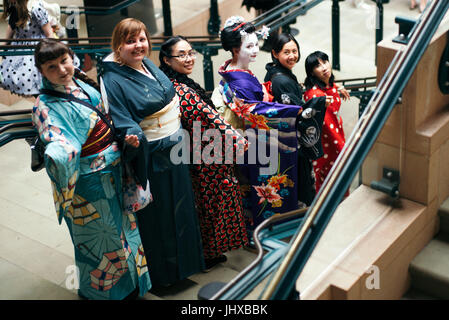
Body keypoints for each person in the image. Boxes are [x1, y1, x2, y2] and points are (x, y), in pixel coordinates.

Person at [32, 38, 152, 300]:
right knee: (100, 240)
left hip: (115, 167)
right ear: (42, 72)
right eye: (52, 67)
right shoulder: (44, 106)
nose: (62, 70)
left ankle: (132, 286)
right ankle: (101, 293)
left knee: (125, 230)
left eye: (64, 61)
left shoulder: (81, 80)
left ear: (71, 57)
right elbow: (56, 140)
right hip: (88, 180)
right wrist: (56, 151)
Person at [101, 18, 204, 286]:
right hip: (154, 153)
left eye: (142, 39)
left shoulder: (146, 64)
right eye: (130, 41)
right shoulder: (112, 79)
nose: (138, 46)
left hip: (174, 147)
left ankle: (185, 267)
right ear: (118, 45)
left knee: (181, 209)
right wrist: (133, 139)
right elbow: (123, 120)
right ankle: (164, 276)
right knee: (161, 218)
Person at [212, 16, 326, 229]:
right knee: (266, 189)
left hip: (253, 137)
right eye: (249, 46)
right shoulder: (240, 80)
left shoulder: (234, 70)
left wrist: (265, 90)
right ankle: (267, 228)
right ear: (236, 50)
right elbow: (253, 110)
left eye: (256, 44)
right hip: (255, 142)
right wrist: (293, 110)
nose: (256, 49)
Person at [159, 36, 249, 269]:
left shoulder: (169, 82)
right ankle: (209, 253)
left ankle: (207, 251)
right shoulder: (182, 91)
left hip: (190, 152)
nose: (189, 58)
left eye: (191, 53)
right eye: (182, 55)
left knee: (203, 204)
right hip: (203, 155)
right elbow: (208, 122)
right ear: (167, 60)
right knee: (211, 204)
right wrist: (235, 140)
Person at [264, 33, 328, 207]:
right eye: (286, 52)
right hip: (291, 142)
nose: (292, 56)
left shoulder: (274, 72)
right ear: (275, 54)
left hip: (281, 140)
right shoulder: (281, 81)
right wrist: (320, 102)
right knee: (302, 186)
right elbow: (299, 112)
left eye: (295, 51)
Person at [303, 51, 350, 196]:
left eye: (325, 62)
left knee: (329, 184)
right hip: (329, 148)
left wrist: (337, 87)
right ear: (312, 72)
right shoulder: (318, 97)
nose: (324, 67)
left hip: (328, 146)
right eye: (318, 65)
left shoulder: (326, 87)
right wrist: (345, 152)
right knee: (333, 186)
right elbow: (330, 129)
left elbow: (329, 87)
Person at [0, 0, 53, 96]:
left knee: (40, 83)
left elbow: (49, 33)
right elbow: (9, 31)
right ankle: (42, 105)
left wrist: (52, 52)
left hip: (37, 47)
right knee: (24, 80)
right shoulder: (15, 9)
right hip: (21, 48)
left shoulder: (36, 8)